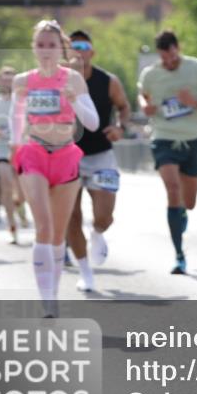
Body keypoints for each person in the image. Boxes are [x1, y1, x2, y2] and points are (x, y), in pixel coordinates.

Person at [10, 20, 100, 316]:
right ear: (34, 48)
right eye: (40, 45)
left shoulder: (73, 79)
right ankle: (46, 297)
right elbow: (15, 118)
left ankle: (55, 292)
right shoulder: (23, 81)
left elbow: (93, 123)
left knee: (59, 234)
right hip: (34, 152)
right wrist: (14, 149)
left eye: (52, 45)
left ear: (61, 48)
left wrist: (75, 102)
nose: (46, 50)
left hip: (65, 155)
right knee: (44, 226)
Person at [138, 29, 197, 275]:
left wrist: (193, 103)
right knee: (172, 189)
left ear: (178, 49)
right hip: (164, 138)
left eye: (172, 56)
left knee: (189, 202)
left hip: (193, 139)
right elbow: (143, 95)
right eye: (164, 58)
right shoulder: (151, 74)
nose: (169, 62)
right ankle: (179, 255)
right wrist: (145, 106)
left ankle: (181, 214)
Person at [65, 29, 131, 292]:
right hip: (67, 156)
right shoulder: (58, 80)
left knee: (105, 216)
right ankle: (85, 273)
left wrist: (120, 127)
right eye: (73, 46)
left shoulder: (108, 80)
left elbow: (124, 107)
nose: (78, 52)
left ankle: (97, 233)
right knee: (72, 216)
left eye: (83, 47)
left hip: (101, 155)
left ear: (92, 51)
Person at [0, 66, 26, 244]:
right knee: (7, 186)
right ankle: (12, 227)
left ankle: (20, 206)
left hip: (23, 150)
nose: (8, 82)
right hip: (2, 151)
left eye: (11, 79)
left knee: (23, 192)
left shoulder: (25, 101)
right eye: (4, 79)